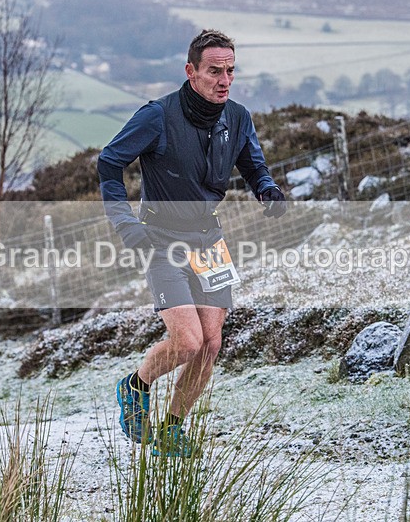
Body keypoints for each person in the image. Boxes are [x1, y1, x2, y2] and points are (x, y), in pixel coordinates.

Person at [98, 29, 287, 457]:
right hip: (161, 239)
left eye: (231, 71)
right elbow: (109, 161)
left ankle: (171, 427)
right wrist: (125, 223)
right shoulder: (157, 116)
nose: (224, 80)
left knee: (211, 344)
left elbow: (253, 164)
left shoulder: (237, 116)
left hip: (209, 239)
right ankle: (135, 385)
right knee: (187, 341)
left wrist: (267, 190)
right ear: (191, 71)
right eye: (214, 71)